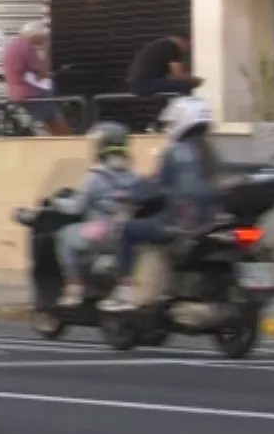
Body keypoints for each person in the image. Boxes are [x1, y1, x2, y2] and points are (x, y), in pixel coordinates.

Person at [103, 94, 222, 312]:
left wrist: (131, 195)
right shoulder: (212, 151)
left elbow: (157, 186)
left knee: (127, 229)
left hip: (177, 222)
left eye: (171, 122)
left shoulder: (175, 153)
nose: (169, 128)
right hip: (211, 220)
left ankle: (125, 291)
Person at [55, 122, 139, 305]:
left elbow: (76, 207)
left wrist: (56, 202)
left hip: (102, 232)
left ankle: (74, 285)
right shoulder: (133, 176)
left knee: (65, 236)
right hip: (126, 232)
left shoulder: (95, 177)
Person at [3, 20, 71, 136]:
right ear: (35, 36)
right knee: (55, 118)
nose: (43, 40)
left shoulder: (13, 45)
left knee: (50, 104)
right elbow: (42, 72)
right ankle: (67, 141)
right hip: (29, 93)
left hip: (17, 91)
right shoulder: (26, 48)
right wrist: (46, 49)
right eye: (43, 37)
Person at [127, 32, 201, 99]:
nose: (187, 49)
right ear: (183, 41)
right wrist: (194, 80)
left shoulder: (159, 44)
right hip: (147, 84)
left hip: (136, 84)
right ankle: (185, 111)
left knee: (173, 86)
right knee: (186, 85)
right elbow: (178, 75)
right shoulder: (171, 47)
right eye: (188, 46)